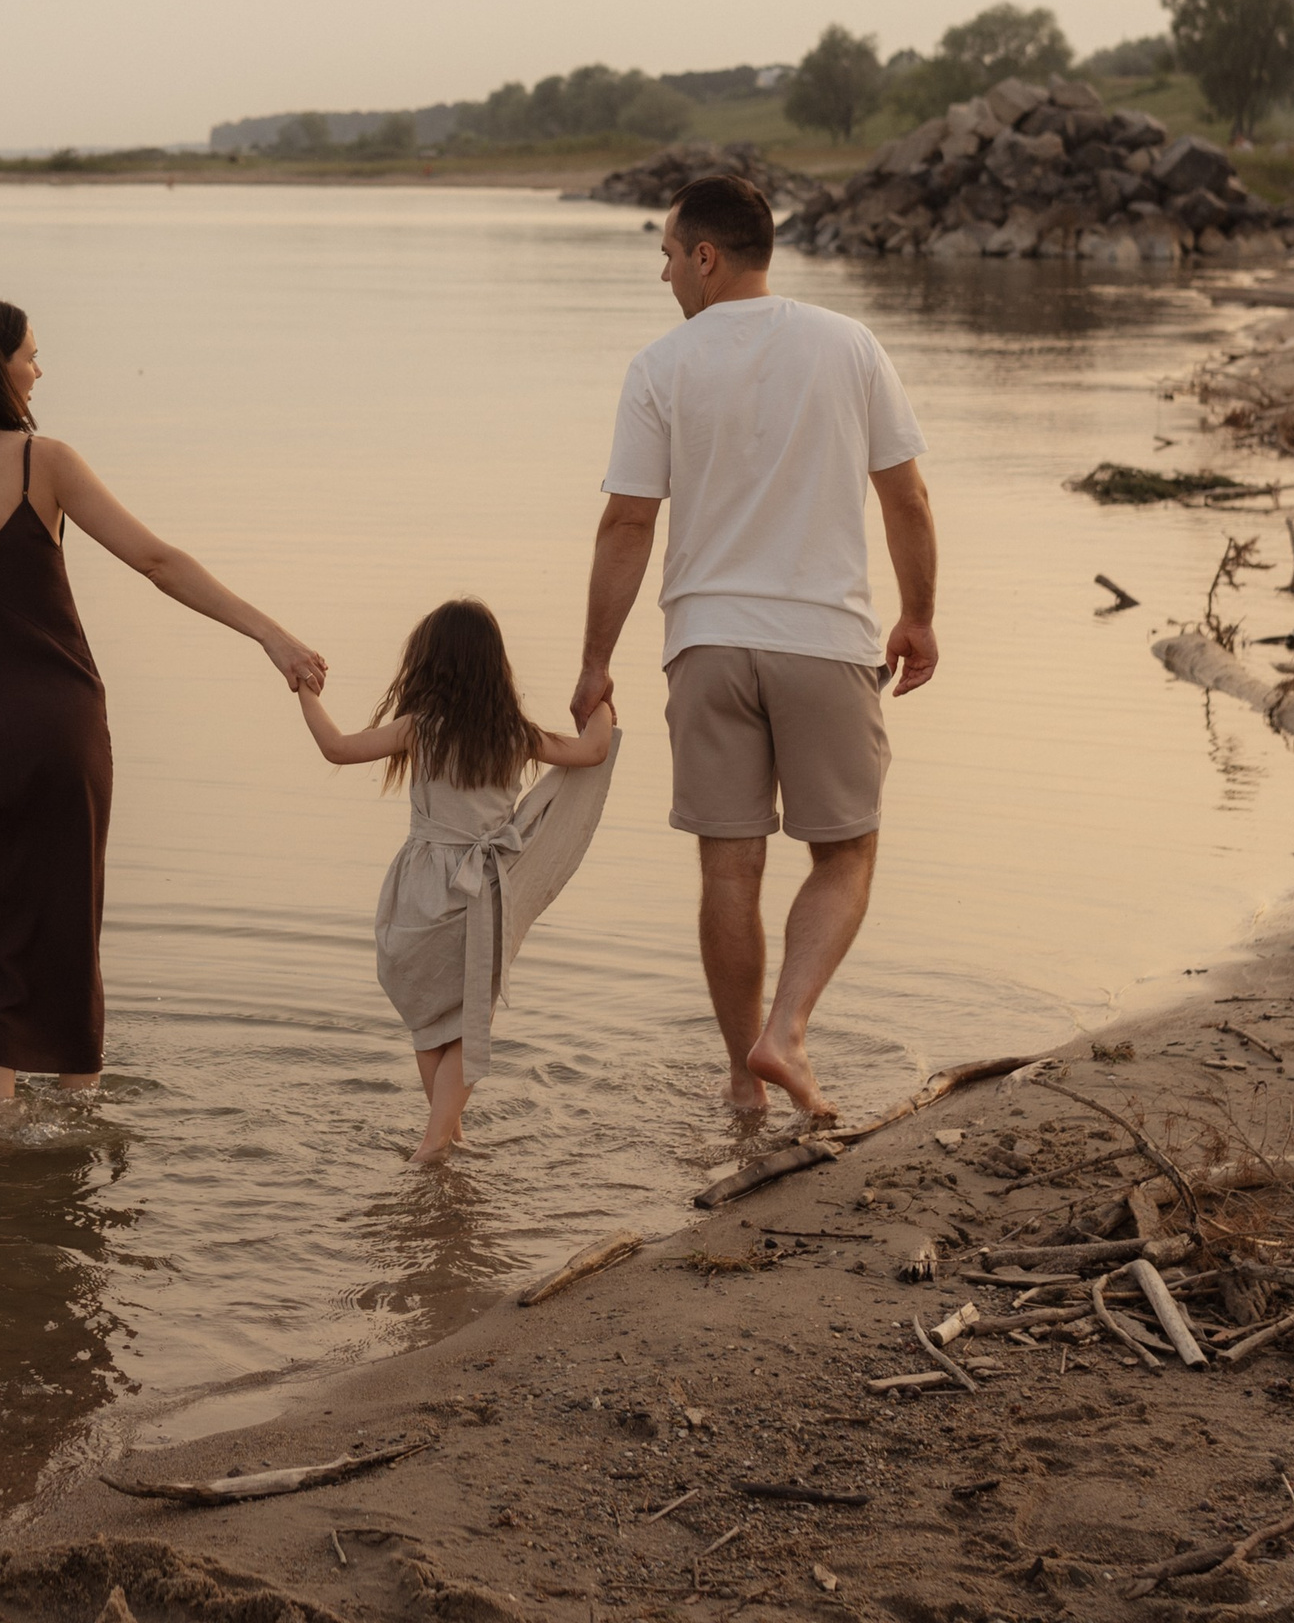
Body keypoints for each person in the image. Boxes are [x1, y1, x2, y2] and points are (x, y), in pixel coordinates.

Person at [0, 294, 327, 1123]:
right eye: (29, 355)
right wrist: (269, 634)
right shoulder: (43, 462)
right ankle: (79, 1117)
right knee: (67, 922)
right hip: (62, 732)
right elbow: (156, 559)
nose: (38, 370)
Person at [572, 173, 937, 1123]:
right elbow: (906, 498)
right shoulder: (849, 345)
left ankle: (743, 1079)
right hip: (824, 636)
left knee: (728, 868)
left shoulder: (659, 367)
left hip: (705, 641)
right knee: (846, 853)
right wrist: (919, 614)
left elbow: (626, 526)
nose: (662, 275)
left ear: (706, 256)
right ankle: (787, 1033)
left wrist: (594, 661)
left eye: (666, 255)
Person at [296, 598, 619, 1165]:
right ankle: (434, 1144)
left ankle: (447, 1138)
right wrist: (603, 702)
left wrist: (305, 690)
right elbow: (592, 751)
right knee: (471, 1020)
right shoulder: (514, 734)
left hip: (420, 887)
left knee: (430, 1017)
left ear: (428, 664)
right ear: (496, 666)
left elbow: (337, 747)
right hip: (484, 890)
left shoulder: (421, 729)